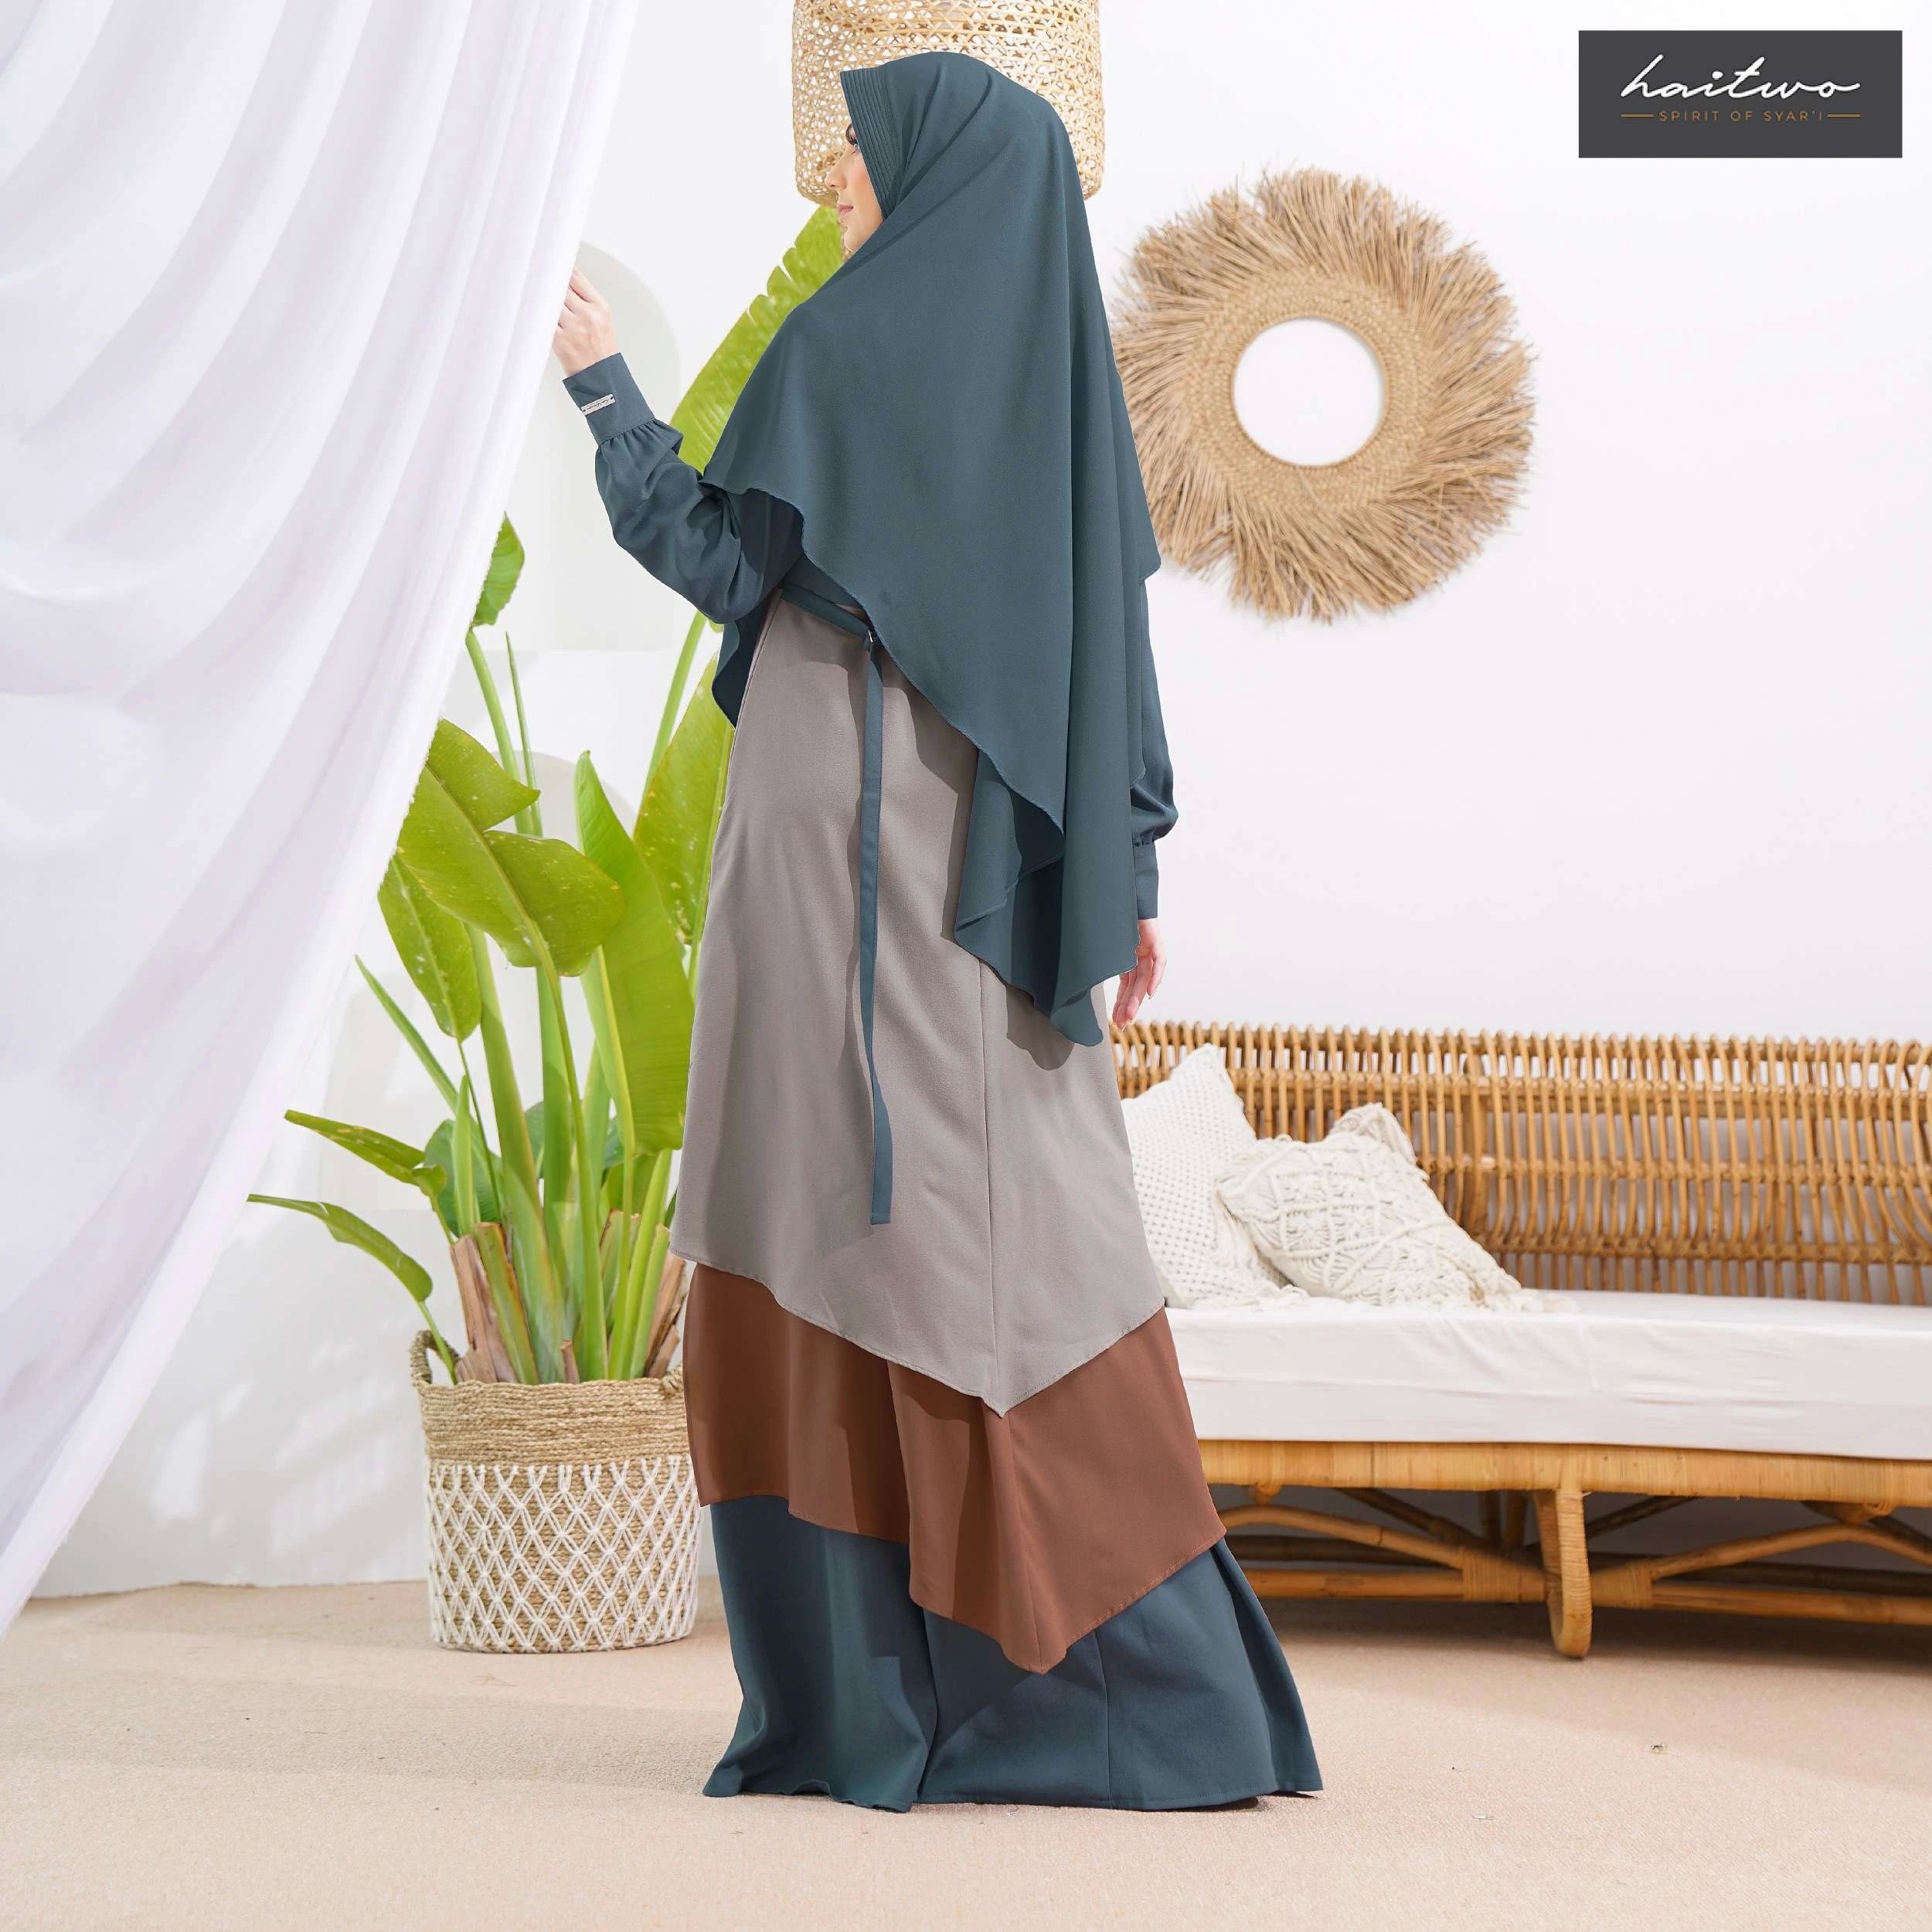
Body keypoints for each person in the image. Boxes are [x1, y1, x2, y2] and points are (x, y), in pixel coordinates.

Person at [551, 49, 1319, 1811]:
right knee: (1001, 1223)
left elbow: (719, 559)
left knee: (835, 1204)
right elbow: (1111, 663)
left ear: (935, 173)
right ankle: (1123, 1698)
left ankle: (876, 1696)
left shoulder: (840, 352)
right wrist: (1122, 875)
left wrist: (602, 386)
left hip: (838, 854)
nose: (836, 182)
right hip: (983, 875)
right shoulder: (1056, 392)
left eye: (860, 153)